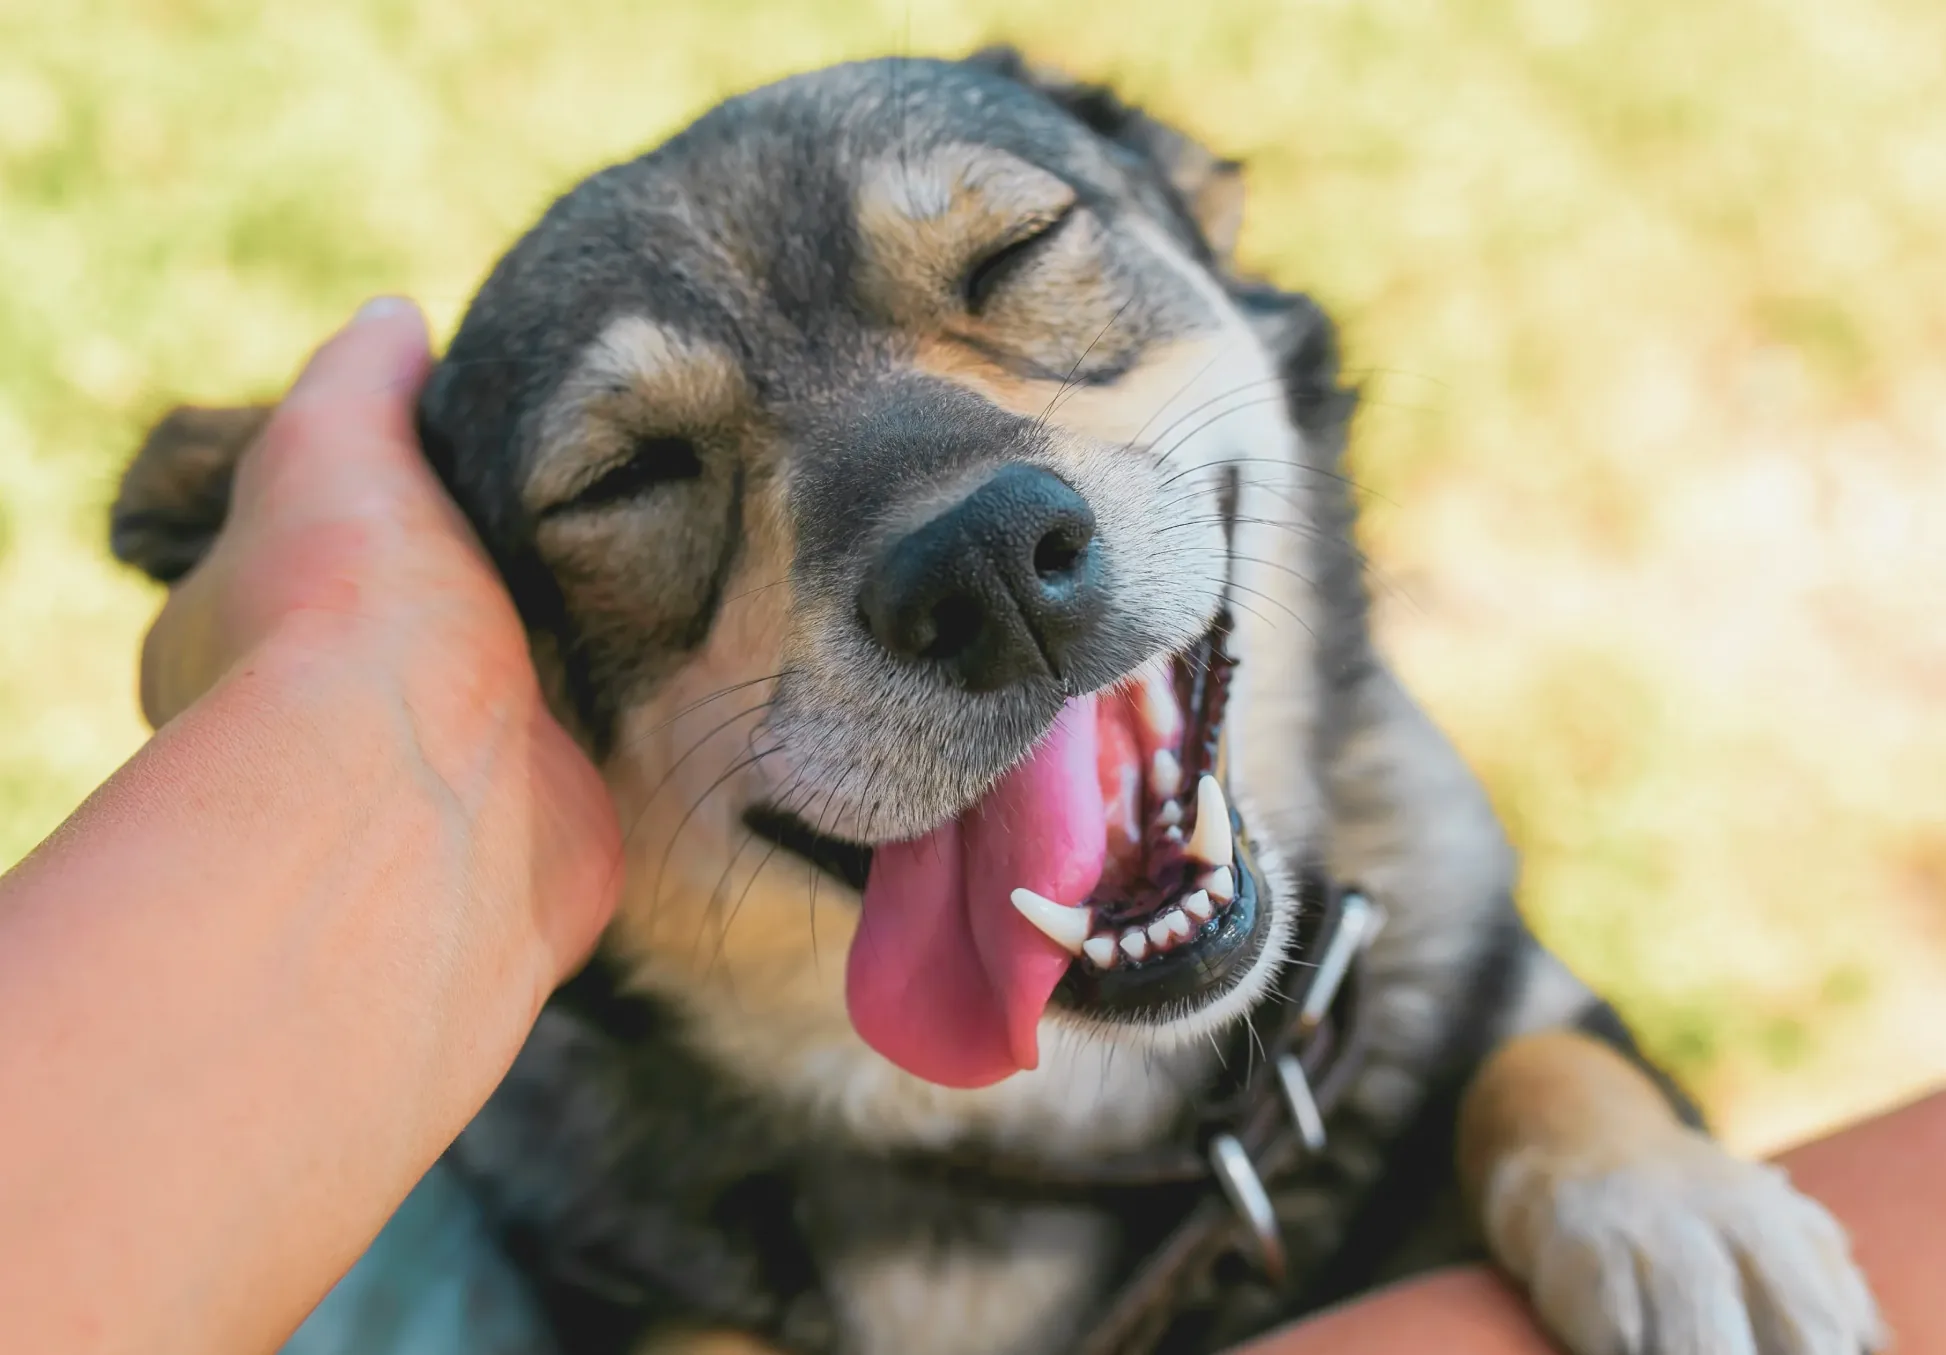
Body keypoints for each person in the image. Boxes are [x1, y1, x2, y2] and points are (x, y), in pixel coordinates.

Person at [0, 299, 1934, 1355]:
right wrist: (359, 697)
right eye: (641, 470)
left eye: (1013, 275)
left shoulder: (1398, 861)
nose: (971, 526)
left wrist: (1559, 1117)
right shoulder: (557, 1199)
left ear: (1223, 268)